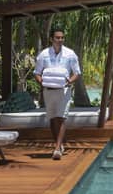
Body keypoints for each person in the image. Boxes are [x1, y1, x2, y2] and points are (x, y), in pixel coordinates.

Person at [33, 28, 81, 159]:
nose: (60, 40)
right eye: (57, 38)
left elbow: (77, 72)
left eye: (62, 38)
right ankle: (58, 145)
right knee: (53, 119)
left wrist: (69, 82)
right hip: (48, 91)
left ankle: (57, 149)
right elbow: (37, 73)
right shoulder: (43, 54)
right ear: (51, 39)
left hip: (64, 91)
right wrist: (42, 82)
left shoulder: (70, 54)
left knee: (61, 117)